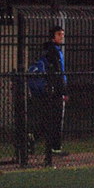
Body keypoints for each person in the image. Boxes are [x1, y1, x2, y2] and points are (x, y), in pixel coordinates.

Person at [29, 26, 68, 161]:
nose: (61, 37)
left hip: (49, 89)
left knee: (47, 118)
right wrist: (63, 90)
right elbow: (58, 73)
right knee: (56, 118)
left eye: (62, 34)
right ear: (53, 37)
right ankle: (54, 147)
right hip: (54, 90)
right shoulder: (54, 52)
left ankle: (33, 136)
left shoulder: (49, 50)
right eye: (59, 34)